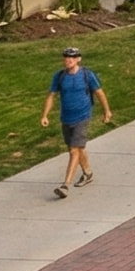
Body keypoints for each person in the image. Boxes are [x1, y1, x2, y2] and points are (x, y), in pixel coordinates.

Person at [39, 46, 113, 198]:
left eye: (72, 57)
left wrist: (107, 111)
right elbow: (51, 95)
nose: (68, 60)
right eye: (66, 57)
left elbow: (99, 93)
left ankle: (65, 185)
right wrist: (45, 115)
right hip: (66, 118)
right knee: (77, 149)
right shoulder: (59, 76)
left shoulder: (87, 75)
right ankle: (87, 173)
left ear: (79, 59)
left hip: (83, 116)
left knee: (74, 150)